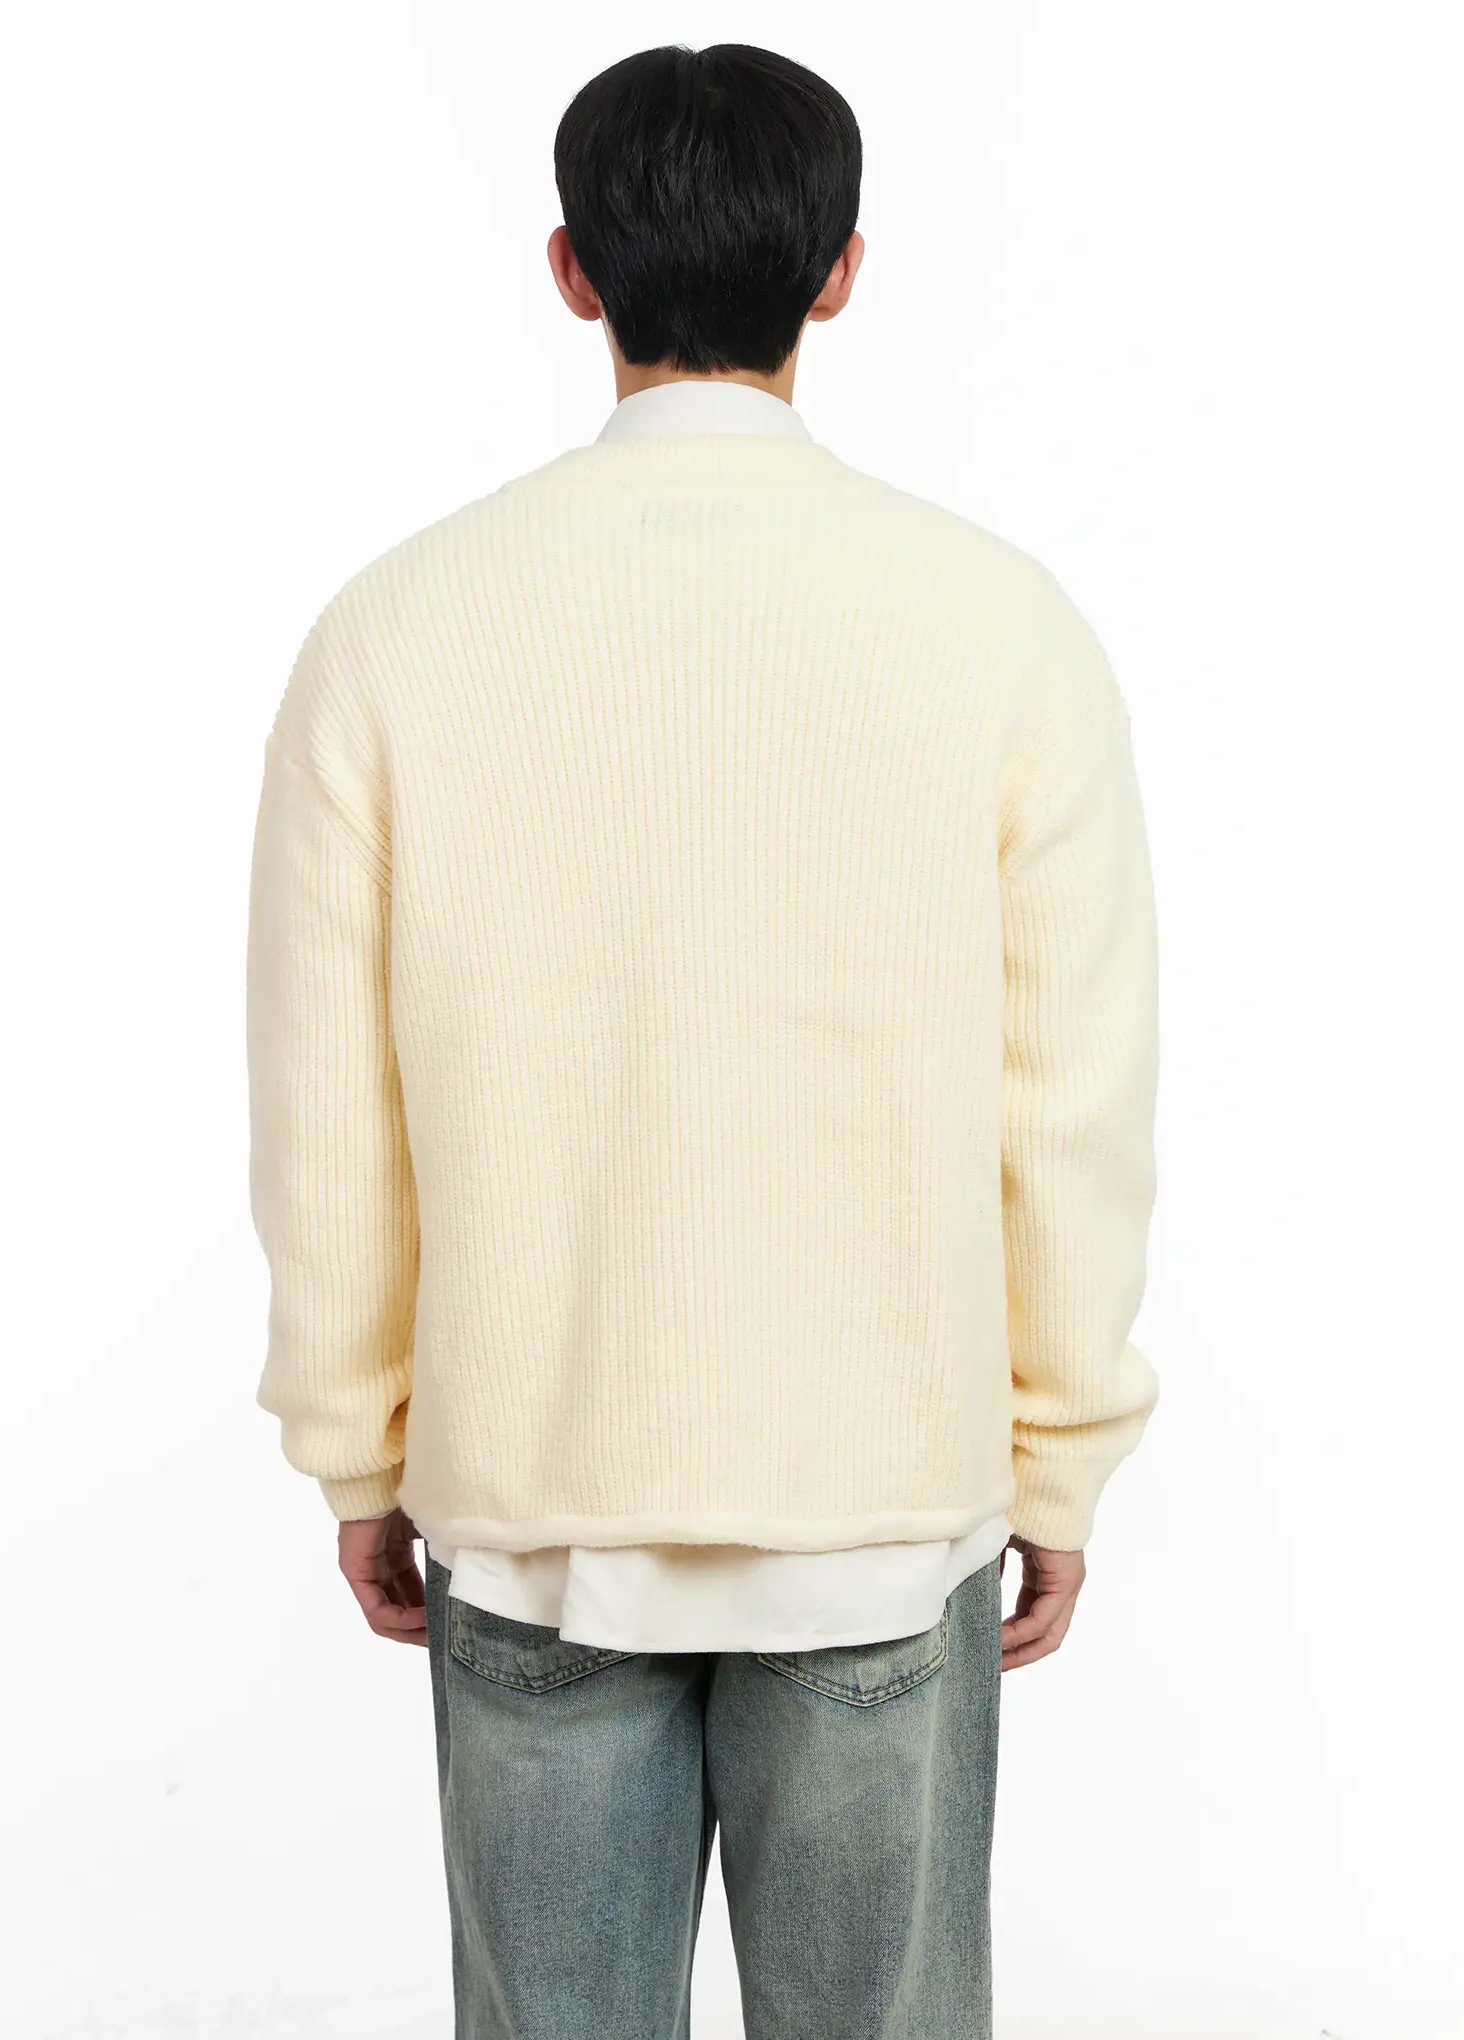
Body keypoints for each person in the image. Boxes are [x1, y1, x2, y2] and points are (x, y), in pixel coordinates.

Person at [247, 41, 1159, 2040]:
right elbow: (1069, 1105)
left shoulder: (394, 632)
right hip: (883, 1512)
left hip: (533, 1508)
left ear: (573, 270)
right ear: (841, 272)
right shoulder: (1002, 629)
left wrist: (358, 1447)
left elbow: (330, 1114)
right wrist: (1062, 1455)